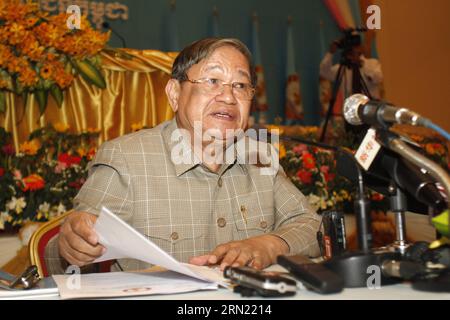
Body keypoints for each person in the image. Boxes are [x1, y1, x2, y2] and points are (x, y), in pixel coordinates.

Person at [47, 38, 321, 274]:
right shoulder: (127, 158)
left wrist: (269, 245)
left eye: (240, 85)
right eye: (213, 81)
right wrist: (70, 245)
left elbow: (312, 227)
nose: (228, 97)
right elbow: (68, 251)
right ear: (175, 93)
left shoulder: (259, 155)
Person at [319, 41, 384, 101]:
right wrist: (330, 53)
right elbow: (324, 72)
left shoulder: (372, 63)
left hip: (370, 105)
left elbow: (378, 78)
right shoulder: (342, 69)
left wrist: (363, 65)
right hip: (351, 107)